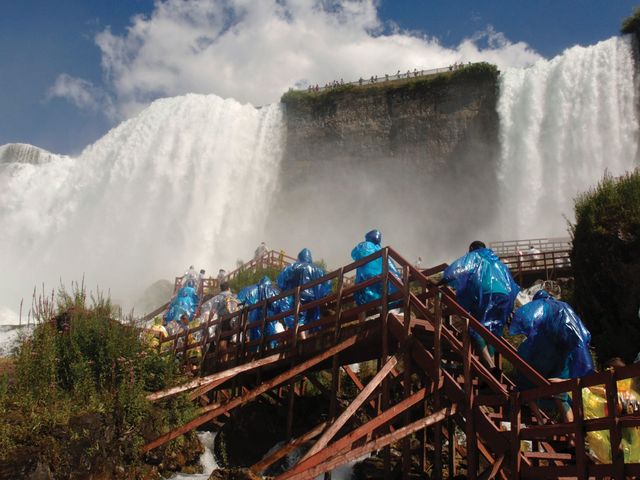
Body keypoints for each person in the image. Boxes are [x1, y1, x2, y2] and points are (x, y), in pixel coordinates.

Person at [510, 289, 594, 422]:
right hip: (565, 351)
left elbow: (527, 320)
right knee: (561, 394)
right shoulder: (564, 307)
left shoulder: (541, 306)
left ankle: (540, 420)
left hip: (547, 353)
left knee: (524, 385)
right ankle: (574, 435)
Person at [440, 240, 519, 372]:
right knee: (491, 331)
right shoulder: (496, 261)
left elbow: (457, 271)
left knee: (476, 330)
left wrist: (440, 282)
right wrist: (510, 308)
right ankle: (492, 366)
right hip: (504, 296)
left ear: (471, 249)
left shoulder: (475, 256)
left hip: (488, 294)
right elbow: (511, 283)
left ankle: (490, 366)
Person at [277, 248, 331, 330]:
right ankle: (309, 336)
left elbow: (282, 280)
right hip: (313, 298)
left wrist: (282, 292)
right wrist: (325, 295)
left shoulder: (293, 267)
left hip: (297, 298)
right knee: (311, 317)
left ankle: (302, 338)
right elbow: (327, 283)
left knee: (299, 318)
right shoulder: (318, 270)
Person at [238, 276, 292, 348]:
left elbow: (239, 300)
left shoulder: (251, 290)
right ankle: (274, 349)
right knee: (273, 335)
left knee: (255, 338)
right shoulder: (273, 291)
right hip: (271, 320)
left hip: (254, 321)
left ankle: (255, 353)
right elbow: (280, 306)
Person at [351, 229, 401, 306]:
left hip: (365, 279)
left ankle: (366, 314)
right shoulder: (381, 250)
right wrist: (399, 284)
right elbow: (392, 268)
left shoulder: (364, 245)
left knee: (364, 299)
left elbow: (354, 254)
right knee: (378, 297)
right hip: (379, 280)